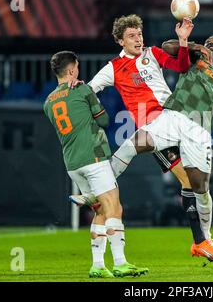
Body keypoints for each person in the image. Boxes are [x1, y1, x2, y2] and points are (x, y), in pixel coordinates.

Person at [109, 34, 213, 262]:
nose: (211, 45)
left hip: (199, 129)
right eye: (209, 42)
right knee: (132, 144)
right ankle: (100, 186)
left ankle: (204, 241)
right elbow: (167, 46)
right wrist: (194, 45)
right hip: (173, 116)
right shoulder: (194, 59)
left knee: (200, 188)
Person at [84, 14, 213, 260]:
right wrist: (78, 93)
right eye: (131, 36)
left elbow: (180, 66)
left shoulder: (152, 54)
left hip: (177, 120)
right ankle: (201, 241)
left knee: (200, 187)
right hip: (154, 128)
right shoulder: (113, 68)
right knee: (188, 182)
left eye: (139, 34)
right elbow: (90, 90)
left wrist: (183, 40)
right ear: (120, 41)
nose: (138, 40)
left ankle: (203, 239)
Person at [43, 51, 148, 278]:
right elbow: (104, 120)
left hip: (72, 163)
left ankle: (98, 265)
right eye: (77, 68)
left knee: (99, 210)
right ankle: (120, 262)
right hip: (94, 157)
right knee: (114, 208)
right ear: (72, 71)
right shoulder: (83, 90)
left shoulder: (48, 102)